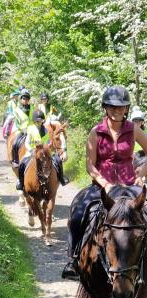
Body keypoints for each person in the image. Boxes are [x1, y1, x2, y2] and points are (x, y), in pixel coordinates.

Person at [62, 85, 147, 280]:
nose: (116, 111)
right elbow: (90, 165)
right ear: (105, 108)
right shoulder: (96, 132)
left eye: (121, 107)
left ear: (127, 108)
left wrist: (141, 174)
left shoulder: (133, 130)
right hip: (103, 186)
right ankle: (73, 259)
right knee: (78, 214)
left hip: (129, 185)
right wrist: (104, 183)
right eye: (112, 107)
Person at [16, 110, 69, 190]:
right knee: (22, 162)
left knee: (58, 160)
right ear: (34, 121)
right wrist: (31, 150)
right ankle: (20, 181)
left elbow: (47, 142)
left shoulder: (45, 130)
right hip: (32, 151)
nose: (39, 122)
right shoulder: (30, 129)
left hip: (44, 152)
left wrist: (48, 147)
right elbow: (27, 143)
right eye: (37, 121)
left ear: (42, 120)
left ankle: (61, 178)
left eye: (40, 120)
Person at [11, 88, 34, 166]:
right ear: (21, 99)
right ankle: (15, 160)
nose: (25, 100)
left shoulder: (32, 108)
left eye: (27, 99)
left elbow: (34, 119)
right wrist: (22, 129)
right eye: (24, 98)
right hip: (21, 130)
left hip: (31, 130)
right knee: (14, 144)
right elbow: (17, 123)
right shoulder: (17, 110)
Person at [130, 105, 147, 173]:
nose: (137, 122)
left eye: (139, 120)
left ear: (142, 122)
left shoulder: (145, 135)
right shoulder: (127, 135)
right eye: (135, 120)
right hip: (131, 162)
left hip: (143, 162)